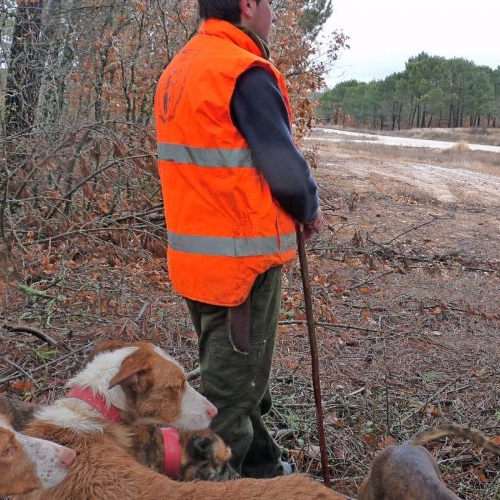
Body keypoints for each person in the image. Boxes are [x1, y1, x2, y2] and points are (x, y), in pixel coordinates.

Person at [153, 0, 324, 479]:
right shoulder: (242, 72)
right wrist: (308, 208)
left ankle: (263, 467)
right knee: (230, 398)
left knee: (236, 378)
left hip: (196, 264)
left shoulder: (180, 69)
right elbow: (286, 170)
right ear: (248, 5)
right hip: (240, 270)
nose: (274, 11)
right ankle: (216, 484)